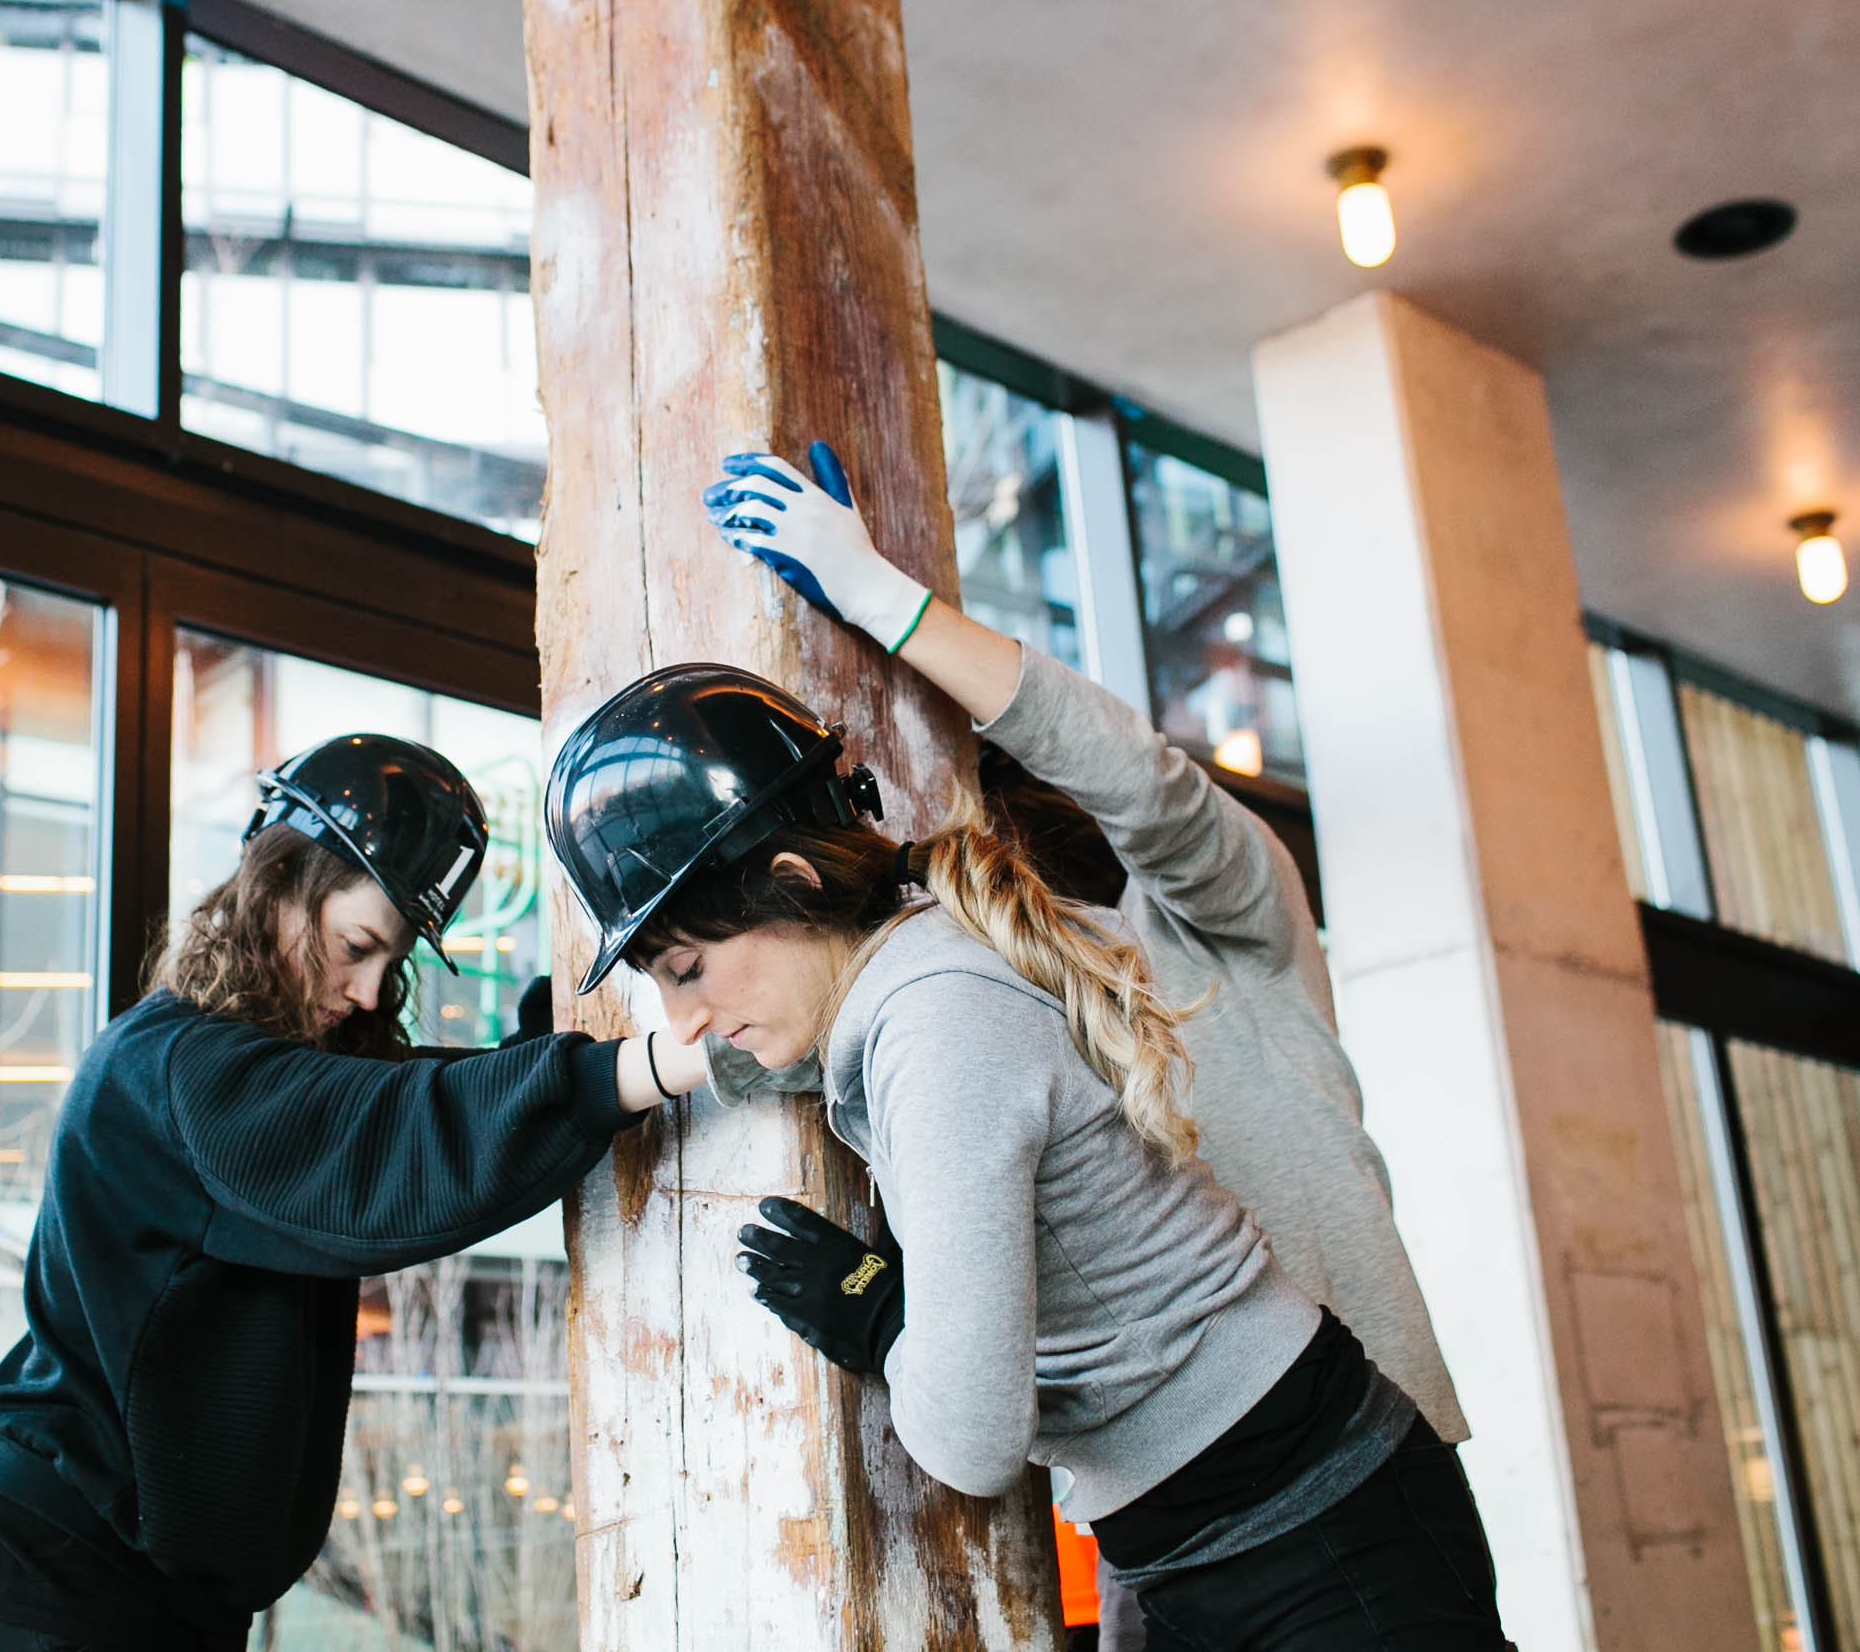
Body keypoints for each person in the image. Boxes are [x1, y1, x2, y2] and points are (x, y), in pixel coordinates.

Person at [546, 670, 1511, 1651]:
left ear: (794, 883)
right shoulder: (913, 990)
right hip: (1191, 1532)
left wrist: (881, 1322)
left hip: (1315, 1528)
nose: (688, 1015)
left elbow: (972, 1438)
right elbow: (745, 1062)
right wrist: (579, 1085)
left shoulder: (937, 1019)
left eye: (687, 969)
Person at [702, 441, 1471, 1648]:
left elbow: (1147, 787)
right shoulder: (979, 984)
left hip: (1331, 1461)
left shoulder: (1224, 913)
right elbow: (797, 1031)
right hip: (1156, 1518)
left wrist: (886, 603)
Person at [0, 734, 707, 1652]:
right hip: (59, 1587)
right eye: (356, 946)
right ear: (278, 889)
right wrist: (654, 1063)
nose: (372, 991)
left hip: (152, 1596)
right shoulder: (179, 1069)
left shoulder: (259, 1071)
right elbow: (392, 1140)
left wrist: (573, 1029)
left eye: (393, 958)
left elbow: (421, 1101)